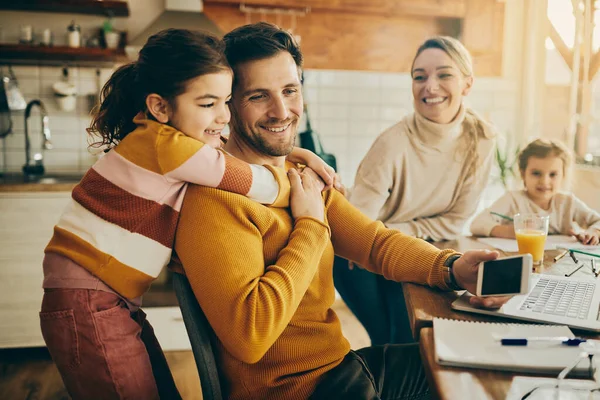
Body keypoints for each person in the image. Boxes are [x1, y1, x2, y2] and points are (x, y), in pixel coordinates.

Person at [174, 22, 508, 400]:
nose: (281, 111)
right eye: (258, 96)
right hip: (299, 392)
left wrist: (452, 268)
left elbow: (376, 244)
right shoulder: (212, 200)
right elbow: (251, 336)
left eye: (290, 90)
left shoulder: (298, 176)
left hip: (340, 368)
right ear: (228, 104)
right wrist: (312, 225)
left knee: (475, 366)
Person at [39, 28, 335, 400]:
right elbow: (259, 184)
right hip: (88, 299)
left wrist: (298, 155)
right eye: (208, 104)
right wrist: (305, 182)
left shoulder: (162, 139)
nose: (224, 117)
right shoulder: (174, 149)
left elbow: (236, 159)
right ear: (161, 107)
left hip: (102, 297)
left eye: (227, 102)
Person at [333, 36, 497, 345]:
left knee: (414, 340)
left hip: (417, 246)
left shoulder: (482, 140)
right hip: (359, 257)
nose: (430, 86)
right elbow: (357, 229)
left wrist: (399, 230)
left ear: (467, 83)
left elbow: (455, 220)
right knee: (392, 342)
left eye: (444, 74)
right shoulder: (391, 144)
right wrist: (399, 236)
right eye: (419, 77)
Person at [471, 138, 600, 245]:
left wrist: (593, 232)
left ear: (563, 175)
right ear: (523, 174)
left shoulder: (568, 202)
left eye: (553, 174)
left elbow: (597, 221)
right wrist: (512, 231)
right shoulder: (513, 199)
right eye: (536, 173)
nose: (544, 181)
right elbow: (477, 224)